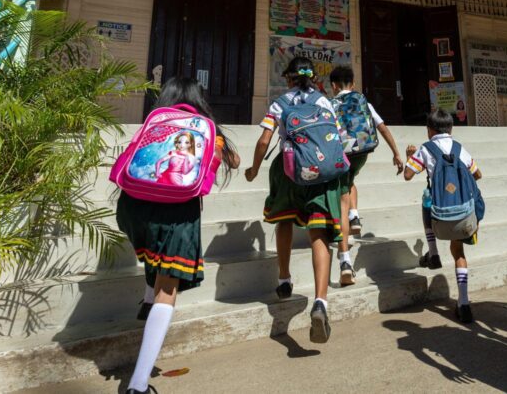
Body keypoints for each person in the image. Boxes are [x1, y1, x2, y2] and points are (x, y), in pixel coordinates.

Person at [116, 78, 240, 394]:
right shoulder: (207, 127)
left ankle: (146, 299)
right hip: (177, 210)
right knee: (167, 288)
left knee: (151, 253)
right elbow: (233, 163)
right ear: (200, 100)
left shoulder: (155, 122)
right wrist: (221, 147)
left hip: (132, 207)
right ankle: (139, 384)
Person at [245, 56, 348, 343]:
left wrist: (253, 170)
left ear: (289, 78)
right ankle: (320, 303)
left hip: (289, 171)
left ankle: (284, 279)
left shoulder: (280, 103)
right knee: (319, 234)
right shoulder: (325, 102)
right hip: (321, 173)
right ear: (314, 78)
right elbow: (340, 138)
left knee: (285, 223)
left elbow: (265, 141)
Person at [404, 108, 482, 324]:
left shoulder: (425, 149)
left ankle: (434, 252)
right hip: (463, 215)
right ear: (451, 128)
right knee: (459, 253)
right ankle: (464, 303)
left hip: (439, 218)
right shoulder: (459, 148)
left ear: (429, 130)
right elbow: (478, 174)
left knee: (426, 199)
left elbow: (408, 175)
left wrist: (410, 157)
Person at [329, 65, 405, 286]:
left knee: (341, 197)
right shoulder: (364, 102)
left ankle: (344, 261)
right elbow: (382, 128)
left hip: (340, 154)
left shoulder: (329, 104)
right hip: (361, 152)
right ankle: (354, 216)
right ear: (352, 84)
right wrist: (396, 153)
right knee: (351, 179)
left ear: (334, 86)